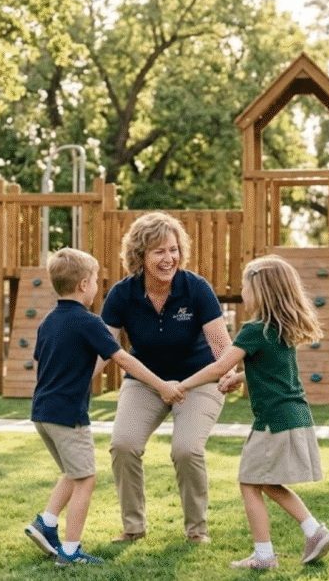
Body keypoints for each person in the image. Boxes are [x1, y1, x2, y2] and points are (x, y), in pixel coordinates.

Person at [178, 255, 329, 569]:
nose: (242, 294)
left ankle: (266, 555)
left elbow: (221, 364)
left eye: (245, 288)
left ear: (260, 290)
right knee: (265, 481)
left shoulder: (254, 329)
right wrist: (239, 378)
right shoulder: (280, 328)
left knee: (250, 482)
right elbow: (272, 370)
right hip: (294, 416)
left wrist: (183, 385)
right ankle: (312, 531)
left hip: (273, 421)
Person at [25, 248, 180, 566]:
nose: (97, 285)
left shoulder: (48, 321)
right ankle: (69, 552)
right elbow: (122, 358)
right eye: (95, 279)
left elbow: (39, 361)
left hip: (42, 412)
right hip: (69, 416)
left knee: (73, 471)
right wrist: (162, 385)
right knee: (86, 478)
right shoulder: (88, 322)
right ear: (84, 284)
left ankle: (46, 523)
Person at [101, 212, 233, 543]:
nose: (168, 258)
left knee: (187, 449)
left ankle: (196, 531)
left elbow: (221, 345)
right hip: (145, 381)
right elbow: (103, 348)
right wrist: (71, 384)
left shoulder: (196, 288)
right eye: (159, 251)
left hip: (198, 380)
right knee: (123, 445)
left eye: (173, 250)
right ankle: (133, 528)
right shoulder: (122, 294)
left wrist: (230, 375)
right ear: (140, 256)